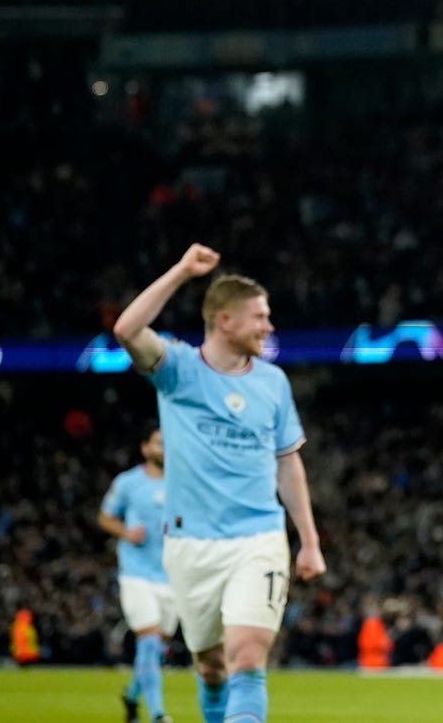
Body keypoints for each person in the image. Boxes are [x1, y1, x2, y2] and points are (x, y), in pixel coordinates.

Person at [114, 244, 325, 723]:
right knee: (210, 667)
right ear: (224, 320)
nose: (269, 327)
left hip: (258, 539)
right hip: (191, 544)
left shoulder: (273, 383)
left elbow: (288, 463)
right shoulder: (179, 371)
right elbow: (126, 329)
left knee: (247, 657)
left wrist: (308, 541)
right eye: (259, 317)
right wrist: (183, 272)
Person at [100, 427, 178, 723]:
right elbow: (105, 516)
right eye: (159, 442)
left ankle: (132, 696)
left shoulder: (180, 484)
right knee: (148, 639)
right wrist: (125, 532)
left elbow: (186, 518)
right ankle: (158, 714)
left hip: (170, 574)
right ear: (145, 448)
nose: (164, 448)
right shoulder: (128, 483)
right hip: (136, 573)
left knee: (157, 645)